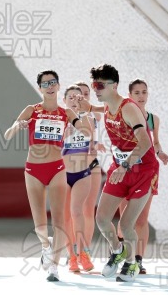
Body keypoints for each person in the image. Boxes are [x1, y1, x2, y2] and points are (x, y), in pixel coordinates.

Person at [4, 70, 91, 282]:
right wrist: (18, 126)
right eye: (45, 84)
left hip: (57, 168)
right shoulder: (31, 110)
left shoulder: (66, 113)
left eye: (53, 82)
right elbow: (7, 134)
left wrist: (83, 117)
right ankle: (45, 245)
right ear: (40, 88)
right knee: (40, 224)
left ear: (58, 86)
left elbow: (86, 133)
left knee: (59, 220)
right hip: (33, 169)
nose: (50, 86)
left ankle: (54, 266)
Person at [78, 64, 159, 282]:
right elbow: (100, 109)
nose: (96, 88)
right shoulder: (107, 105)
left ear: (114, 86)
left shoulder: (129, 109)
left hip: (143, 169)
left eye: (99, 85)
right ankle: (117, 250)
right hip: (121, 167)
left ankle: (132, 263)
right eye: (94, 85)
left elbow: (144, 143)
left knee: (126, 224)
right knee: (102, 219)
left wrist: (125, 167)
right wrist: (88, 107)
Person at [116, 79, 168, 274]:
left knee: (142, 219)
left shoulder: (153, 119)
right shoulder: (123, 114)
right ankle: (122, 256)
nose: (141, 96)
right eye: (137, 92)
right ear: (129, 95)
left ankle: (138, 260)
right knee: (125, 219)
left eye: (144, 92)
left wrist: (161, 152)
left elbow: (155, 143)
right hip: (126, 168)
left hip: (148, 171)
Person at [61, 85, 94, 272]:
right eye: (71, 97)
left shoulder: (87, 119)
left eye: (78, 97)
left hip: (82, 173)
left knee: (77, 212)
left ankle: (83, 253)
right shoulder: (59, 119)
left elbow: (90, 139)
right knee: (65, 217)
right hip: (62, 174)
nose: (75, 100)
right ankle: (71, 257)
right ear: (64, 100)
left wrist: (81, 114)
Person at [74, 81, 105, 259]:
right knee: (73, 212)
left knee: (88, 211)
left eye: (86, 93)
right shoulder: (67, 116)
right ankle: (73, 251)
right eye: (80, 94)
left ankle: (84, 251)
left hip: (92, 165)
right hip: (73, 168)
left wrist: (95, 143)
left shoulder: (95, 116)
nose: (83, 96)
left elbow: (92, 138)